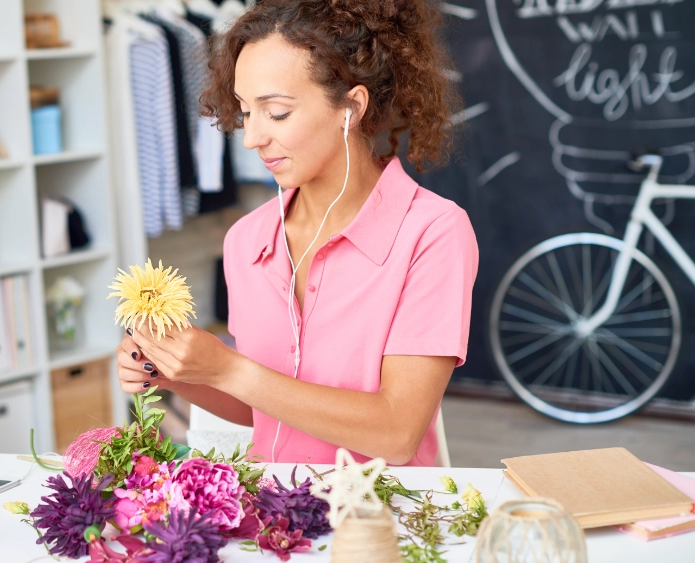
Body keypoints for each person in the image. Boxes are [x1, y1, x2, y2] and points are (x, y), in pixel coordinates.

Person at [116, 0, 478, 466]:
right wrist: (175, 373)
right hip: (272, 518)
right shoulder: (246, 240)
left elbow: (396, 433)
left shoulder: (432, 234)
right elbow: (264, 409)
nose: (251, 138)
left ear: (351, 106)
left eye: (277, 113)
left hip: (385, 519)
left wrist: (228, 367)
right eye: (246, 112)